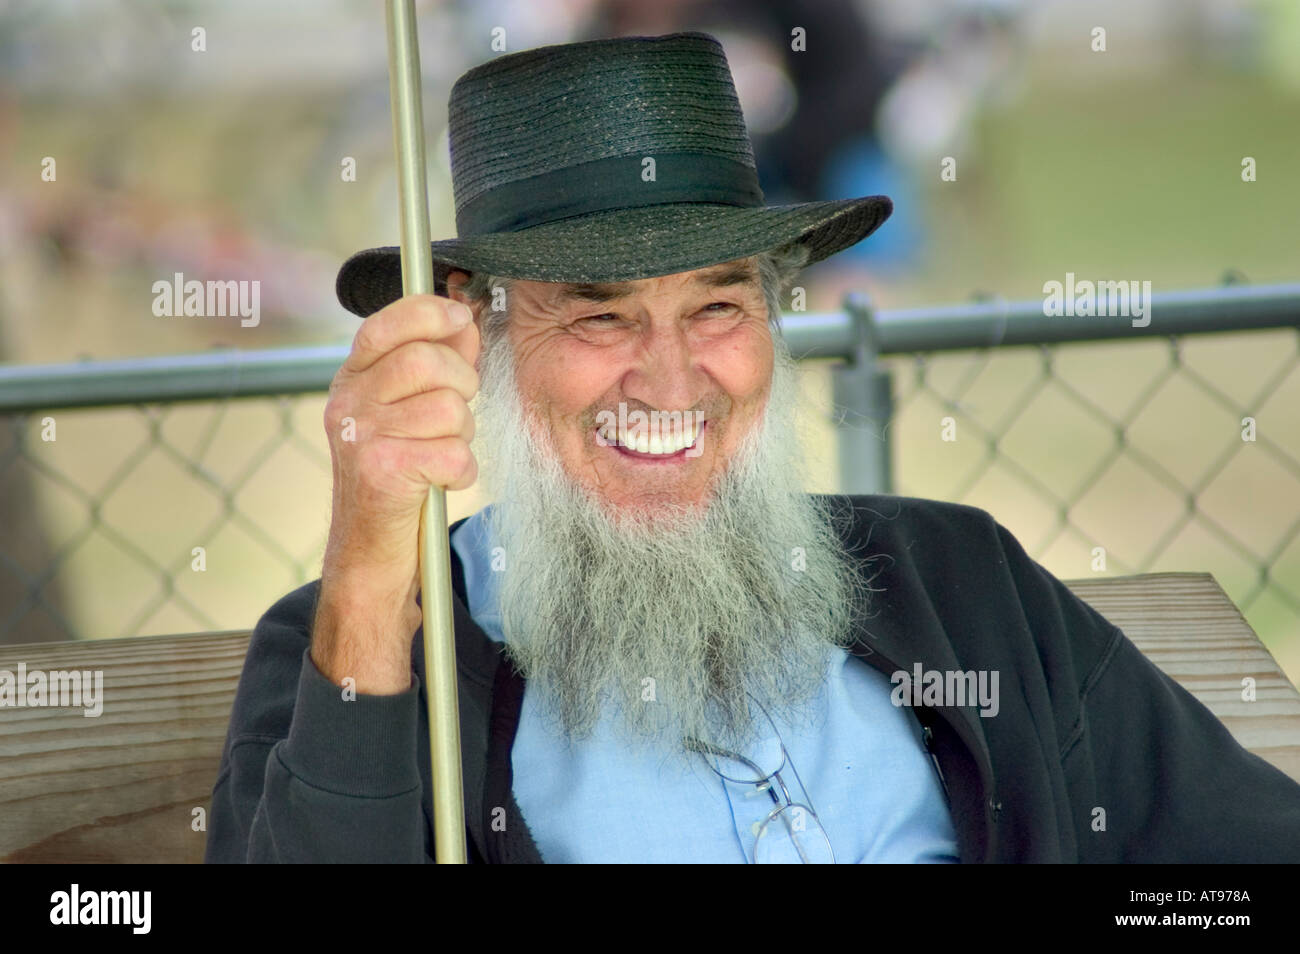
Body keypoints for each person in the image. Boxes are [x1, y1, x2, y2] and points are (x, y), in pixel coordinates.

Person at [204, 32, 1300, 863]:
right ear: (472, 332)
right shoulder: (373, 650)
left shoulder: (962, 587)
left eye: (718, 309)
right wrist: (366, 559)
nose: (672, 379)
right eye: (598, 316)